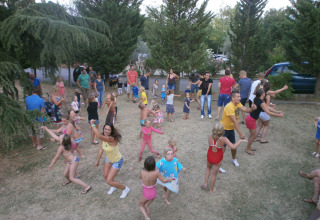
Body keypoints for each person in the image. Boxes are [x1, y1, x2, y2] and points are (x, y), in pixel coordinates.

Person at [201, 123, 247, 193]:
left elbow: (211, 146)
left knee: (208, 168)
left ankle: (205, 184)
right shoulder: (224, 139)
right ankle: (211, 189)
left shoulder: (210, 137)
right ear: (223, 131)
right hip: (217, 158)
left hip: (209, 156)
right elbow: (233, 147)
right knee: (214, 174)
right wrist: (240, 141)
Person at [91, 120, 131, 199]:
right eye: (105, 129)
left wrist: (92, 125)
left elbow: (98, 136)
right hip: (108, 159)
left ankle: (125, 189)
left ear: (111, 131)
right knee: (106, 176)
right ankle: (114, 186)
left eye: (108, 130)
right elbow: (100, 150)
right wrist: (97, 161)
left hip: (117, 160)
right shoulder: (104, 137)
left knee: (109, 181)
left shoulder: (112, 138)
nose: (106, 131)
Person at [220, 91, 256, 170]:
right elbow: (234, 121)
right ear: (233, 98)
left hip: (231, 129)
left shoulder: (237, 104)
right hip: (224, 130)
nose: (240, 98)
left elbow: (245, 109)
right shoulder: (229, 106)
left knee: (233, 146)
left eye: (240, 96)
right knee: (223, 148)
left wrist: (252, 109)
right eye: (238, 97)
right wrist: (240, 133)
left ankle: (234, 159)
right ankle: (218, 164)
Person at [245, 89, 284, 155]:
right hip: (251, 120)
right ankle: (247, 149)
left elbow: (267, 107)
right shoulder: (261, 102)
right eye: (264, 92)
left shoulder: (257, 99)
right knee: (253, 135)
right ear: (262, 94)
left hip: (250, 118)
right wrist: (279, 115)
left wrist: (277, 111)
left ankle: (249, 147)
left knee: (252, 135)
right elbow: (269, 113)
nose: (265, 93)